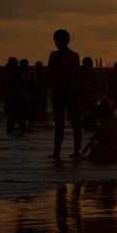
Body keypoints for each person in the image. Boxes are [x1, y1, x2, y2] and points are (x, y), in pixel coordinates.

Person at [46, 30, 82, 158]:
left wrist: (61, 66)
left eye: (60, 41)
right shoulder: (53, 55)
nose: (58, 44)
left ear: (67, 41)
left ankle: (76, 152)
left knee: (74, 123)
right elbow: (48, 73)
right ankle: (56, 153)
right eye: (56, 41)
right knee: (58, 124)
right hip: (56, 90)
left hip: (69, 90)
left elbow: (74, 74)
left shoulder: (73, 56)